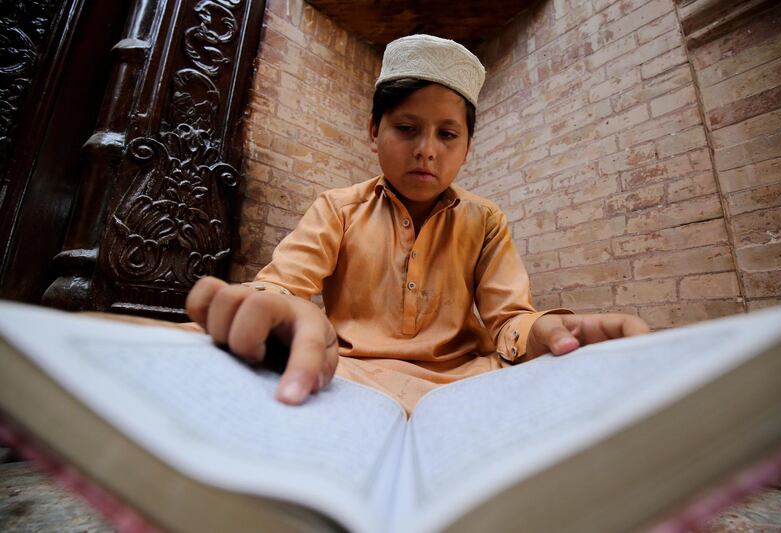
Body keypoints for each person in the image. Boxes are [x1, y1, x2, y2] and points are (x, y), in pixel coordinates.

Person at [186, 34, 649, 413]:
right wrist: (277, 311)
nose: (426, 149)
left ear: (467, 148)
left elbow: (510, 319)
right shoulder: (337, 207)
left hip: (467, 381)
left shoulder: (486, 220)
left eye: (447, 134)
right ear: (374, 132)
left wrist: (546, 331)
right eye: (406, 129)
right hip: (351, 376)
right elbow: (282, 286)